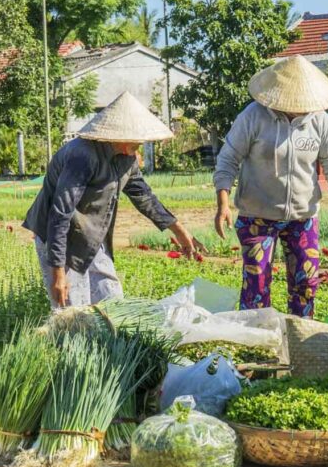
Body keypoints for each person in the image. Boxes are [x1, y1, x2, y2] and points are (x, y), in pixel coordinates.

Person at [213, 56, 328, 318]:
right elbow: (228, 160)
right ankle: (257, 341)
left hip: (303, 218)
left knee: (305, 282)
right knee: (257, 285)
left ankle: (299, 337)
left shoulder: (320, 122)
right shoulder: (253, 117)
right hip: (257, 216)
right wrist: (223, 204)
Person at [23, 92, 202, 309]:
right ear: (120, 135)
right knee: (74, 311)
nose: (141, 142)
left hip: (91, 234)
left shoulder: (126, 158)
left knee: (112, 302)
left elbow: (144, 196)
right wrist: (58, 273)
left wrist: (179, 230)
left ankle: (107, 341)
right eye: (137, 137)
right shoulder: (82, 156)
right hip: (61, 238)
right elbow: (60, 214)